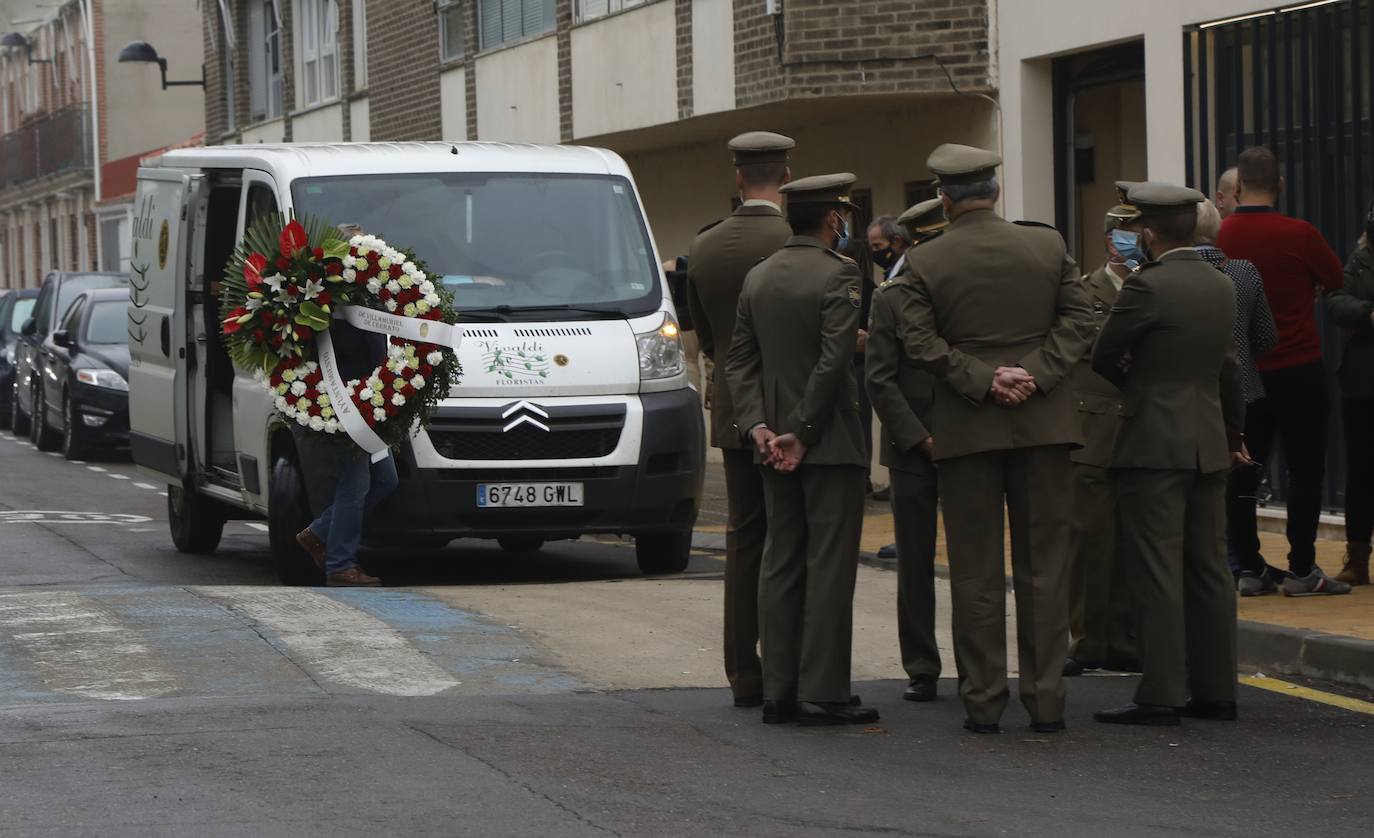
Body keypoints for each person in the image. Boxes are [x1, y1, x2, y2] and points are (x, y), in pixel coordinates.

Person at [900, 144, 1093, 734]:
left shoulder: (926, 262)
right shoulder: (1047, 244)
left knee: (975, 571)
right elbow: (1080, 320)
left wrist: (986, 379)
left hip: (967, 427)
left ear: (943, 197)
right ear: (996, 190)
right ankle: (1046, 699)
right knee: (1045, 568)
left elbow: (918, 343)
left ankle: (983, 700)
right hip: (1045, 425)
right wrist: (1036, 373)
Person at [1090, 184, 1247, 726]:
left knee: (1156, 568)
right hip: (1207, 438)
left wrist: (1137, 380)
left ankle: (1160, 692)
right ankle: (1217, 690)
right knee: (1208, 567)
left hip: (1154, 439)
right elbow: (1229, 370)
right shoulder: (1222, 284)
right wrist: (1231, 434)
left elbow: (1104, 354)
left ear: (1150, 233)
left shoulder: (1146, 287)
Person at [724, 172, 877, 726]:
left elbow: (739, 360)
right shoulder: (841, 274)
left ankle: (779, 688)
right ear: (834, 220)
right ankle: (824, 689)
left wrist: (759, 426)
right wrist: (804, 430)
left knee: (780, 560)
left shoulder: (759, 277)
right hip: (828, 441)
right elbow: (836, 359)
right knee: (829, 566)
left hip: (770, 445)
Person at [684, 131, 794, 708]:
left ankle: (742, 673)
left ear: (738, 178)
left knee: (744, 539)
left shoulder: (705, 247)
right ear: (788, 176)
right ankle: (786, 670)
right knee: (790, 541)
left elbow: (705, 337)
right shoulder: (797, 241)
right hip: (795, 411)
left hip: (732, 406)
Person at [1216, 146, 1350, 596]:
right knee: (1306, 470)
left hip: (1244, 372)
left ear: (1236, 188)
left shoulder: (1221, 236)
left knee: (1243, 470)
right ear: (1281, 186)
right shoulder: (1301, 234)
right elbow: (1335, 280)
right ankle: (1302, 569)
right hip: (1299, 367)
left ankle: (1250, 569)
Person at [865, 197, 948, 702]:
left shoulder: (973, 292)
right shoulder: (891, 298)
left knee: (977, 564)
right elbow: (881, 378)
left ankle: (980, 666)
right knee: (914, 563)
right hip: (912, 443)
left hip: (968, 440)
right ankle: (922, 665)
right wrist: (919, 436)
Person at [1063, 187, 1144, 679]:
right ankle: (1089, 639)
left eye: (1135, 234)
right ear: (1109, 241)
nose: (1126, 244)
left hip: (1141, 428)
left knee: (1133, 542)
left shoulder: (1155, 286)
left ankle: (1127, 638)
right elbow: (1075, 348)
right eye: (1121, 235)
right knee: (1090, 542)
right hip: (1093, 428)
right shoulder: (1083, 291)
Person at [1194, 200, 1280, 592]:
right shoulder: (1243, 272)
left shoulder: (1160, 276)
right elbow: (1267, 337)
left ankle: (1212, 563)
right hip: (1246, 393)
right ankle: (1246, 564)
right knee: (1242, 488)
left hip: (1191, 398)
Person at [294, 320, 398, 587]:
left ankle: (318, 533)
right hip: (344, 399)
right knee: (355, 482)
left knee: (386, 479)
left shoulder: (366, 288)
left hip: (368, 398)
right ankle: (341, 564)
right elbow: (348, 340)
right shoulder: (339, 293)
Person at [1327, 198, 1374, 586]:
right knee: (1360, 471)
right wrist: (1368, 313)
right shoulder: (1360, 258)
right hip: (1362, 380)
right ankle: (1358, 555)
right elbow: (1337, 300)